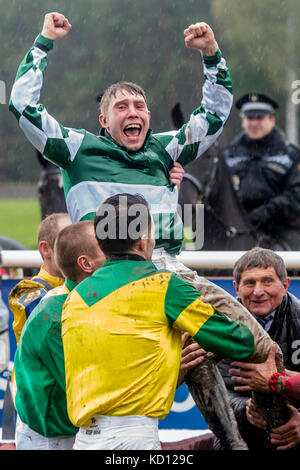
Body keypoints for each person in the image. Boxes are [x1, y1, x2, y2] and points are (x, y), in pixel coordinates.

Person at [9, 12, 277, 444]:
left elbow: (215, 112)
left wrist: (211, 55)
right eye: (121, 107)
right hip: (107, 280)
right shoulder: (77, 148)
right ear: (103, 121)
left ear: (148, 117)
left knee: (260, 346)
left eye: (139, 106)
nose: (133, 113)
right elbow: (22, 106)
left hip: (170, 274)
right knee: (193, 357)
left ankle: (268, 430)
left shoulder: (166, 148)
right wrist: (43, 42)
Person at [61, 193, 257, 451]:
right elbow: (240, 342)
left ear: (101, 242)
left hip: (84, 440)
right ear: (143, 241)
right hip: (134, 439)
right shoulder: (166, 286)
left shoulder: (73, 298)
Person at [14, 220, 106, 450]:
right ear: (85, 263)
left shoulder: (82, 298)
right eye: (105, 249)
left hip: (70, 426)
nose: (115, 255)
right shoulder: (51, 311)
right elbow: (88, 391)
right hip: (50, 435)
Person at [216, 247, 300, 451]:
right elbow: (218, 393)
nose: (258, 291)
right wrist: (244, 411)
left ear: (285, 285)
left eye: (267, 281)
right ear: (236, 288)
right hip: (243, 439)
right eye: (250, 282)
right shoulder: (221, 326)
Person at [223, 92, 300, 250]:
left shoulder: (291, 154)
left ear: (271, 120)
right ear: (243, 121)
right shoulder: (228, 155)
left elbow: (296, 196)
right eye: (250, 118)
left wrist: (266, 212)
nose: (254, 123)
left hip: (279, 230)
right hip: (234, 230)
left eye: (260, 118)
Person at [8, 212, 71, 346]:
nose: (78, 249)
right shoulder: (29, 290)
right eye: (68, 243)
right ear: (46, 249)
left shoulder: (84, 285)